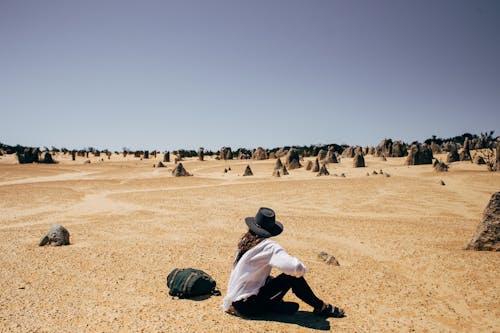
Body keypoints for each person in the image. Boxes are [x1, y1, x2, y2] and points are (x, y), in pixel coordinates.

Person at [222, 207, 345, 318]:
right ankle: (321, 306)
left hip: (235, 301)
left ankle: (274, 306)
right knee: (291, 278)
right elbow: (294, 267)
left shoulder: (245, 242)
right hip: (247, 307)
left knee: (269, 279)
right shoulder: (268, 246)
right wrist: (303, 271)